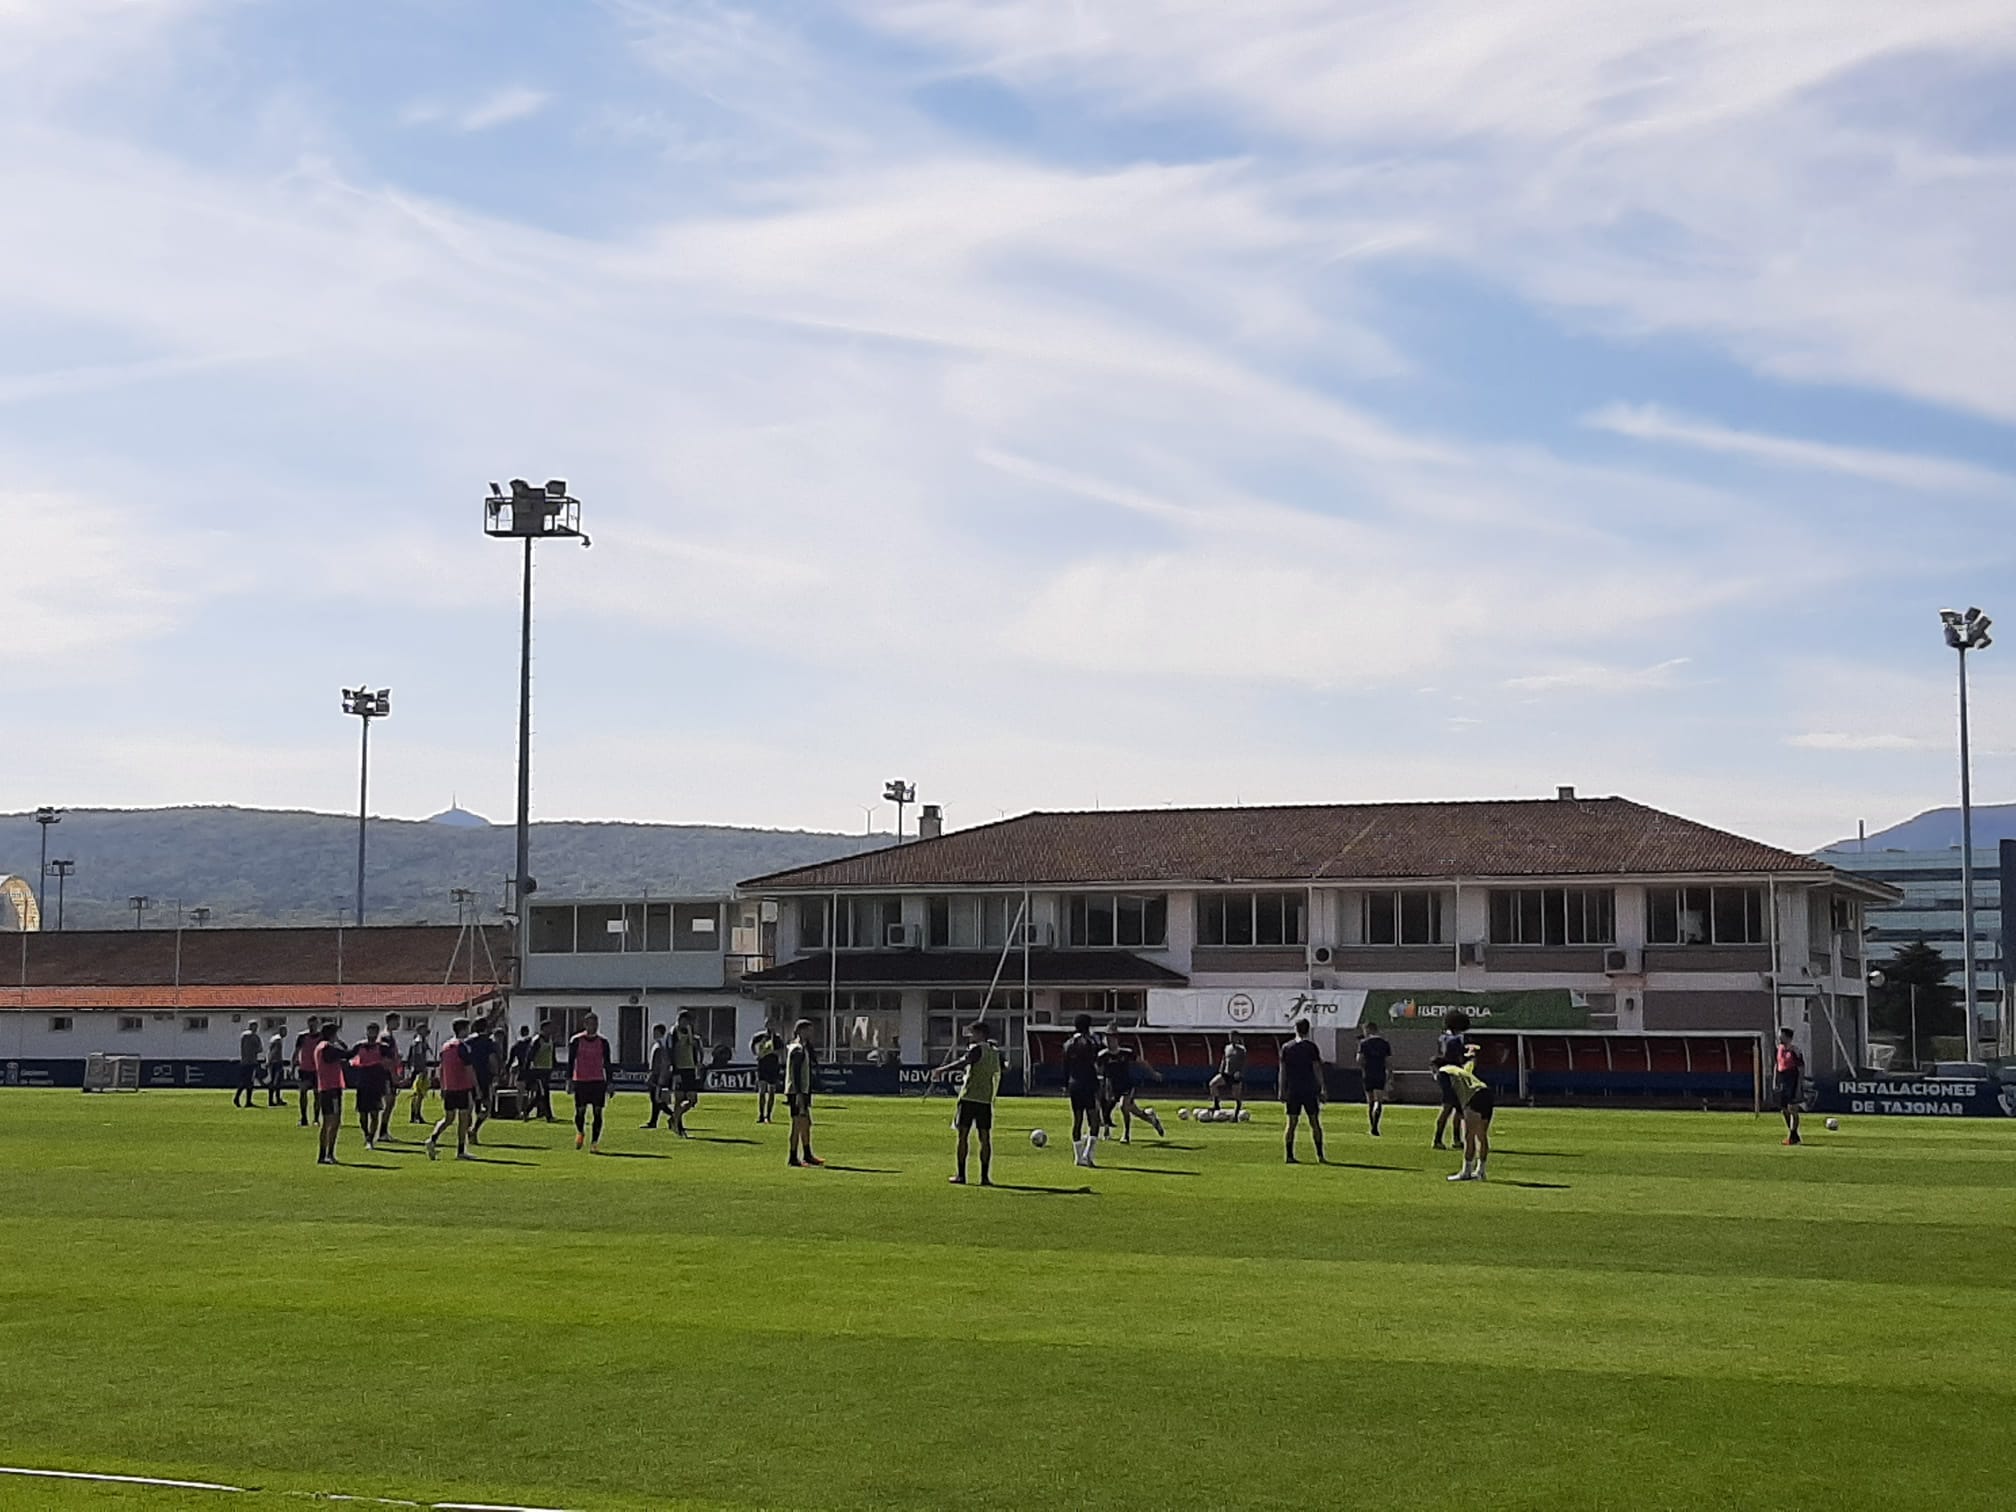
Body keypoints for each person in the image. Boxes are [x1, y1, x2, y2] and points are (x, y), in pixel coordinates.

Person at [934, 1020, 1003, 1186]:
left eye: (972, 1033)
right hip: (985, 1099)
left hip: (969, 1097)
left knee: (963, 1136)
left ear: (980, 1034)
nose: (970, 1037)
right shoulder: (994, 1052)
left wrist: (942, 1070)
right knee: (985, 1138)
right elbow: (1003, 1068)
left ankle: (961, 1175)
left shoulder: (976, 1050)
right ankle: (985, 1177)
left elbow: (963, 1062)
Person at [1440, 1045, 1496, 1182]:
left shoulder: (1443, 1072)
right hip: (1486, 1093)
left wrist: (1460, 1112)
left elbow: (1451, 1095)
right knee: (1482, 1135)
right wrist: (1472, 1055)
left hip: (1473, 1098)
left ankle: (1466, 1171)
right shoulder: (1461, 1070)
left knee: (1469, 1136)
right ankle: (1481, 1171)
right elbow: (1471, 1064)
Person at [1098, 1031, 1166, 1142]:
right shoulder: (1102, 1056)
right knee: (1132, 1111)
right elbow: (1096, 1069)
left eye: (1112, 1039)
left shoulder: (1126, 1053)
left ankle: (1126, 1134)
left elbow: (1142, 1062)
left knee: (1123, 1106)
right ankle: (1151, 1119)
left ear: (1117, 1040)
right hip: (1112, 1088)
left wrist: (1154, 1074)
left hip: (1126, 1086)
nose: (1110, 1042)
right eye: (1107, 1039)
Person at [426, 1019, 478, 1161]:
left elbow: (441, 1068)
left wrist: (442, 1086)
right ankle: (461, 1150)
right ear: (463, 1029)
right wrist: (476, 1087)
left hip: (449, 1087)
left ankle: (432, 1139)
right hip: (462, 1086)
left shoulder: (446, 1047)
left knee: (448, 1118)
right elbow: (469, 1069)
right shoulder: (463, 1047)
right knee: (463, 1118)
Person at [1280, 1017, 1326, 1165]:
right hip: (1309, 1089)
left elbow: (1283, 1071)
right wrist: (1322, 1088)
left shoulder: (1287, 1047)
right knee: (1314, 1122)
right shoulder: (1311, 1047)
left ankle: (1289, 1155)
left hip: (1293, 1089)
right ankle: (1320, 1154)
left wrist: (1281, 1089)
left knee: (1291, 1123)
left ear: (1296, 1029)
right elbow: (1317, 1068)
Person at [569, 1012, 615, 1152]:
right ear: (585, 1025)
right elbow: (571, 1062)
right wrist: (569, 1079)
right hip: (581, 1080)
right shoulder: (576, 1041)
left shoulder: (603, 1042)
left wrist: (610, 1082)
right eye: (590, 1024)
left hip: (598, 1081)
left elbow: (607, 1063)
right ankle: (580, 1132)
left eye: (595, 1024)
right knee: (580, 1111)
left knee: (598, 1112)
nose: (593, 1027)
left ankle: (594, 1143)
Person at [1062, 1014, 1103, 1168]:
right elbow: (1095, 1061)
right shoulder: (1091, 1042)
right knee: (1094, 1119)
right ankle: (1089, 1155)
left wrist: (1066, 1085)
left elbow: (1065, 1067)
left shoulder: (1067, 1044)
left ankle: (1078, 1157)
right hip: (1089, 1083)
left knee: (1077, 1120)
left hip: (1074, 1084)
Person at [784, 1018, 823, 1167]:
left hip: (803, 1091)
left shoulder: (804, 1047)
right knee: (797, 1124)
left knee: (806, 1123)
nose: (811, 1033)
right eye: (808, 1030)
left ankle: (807, 1154)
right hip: (797, 1092)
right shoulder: (797, 1049)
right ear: (801, 1031)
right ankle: (793, 1157)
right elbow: (796, 1073)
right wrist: (799, 1094)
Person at [347, 1022, 390, 1151]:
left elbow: (389, 1064)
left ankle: (371, 1138)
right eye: (370, 1031)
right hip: (362, 1082)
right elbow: (348, 1055)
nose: (372, 1034)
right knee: (362, 1113)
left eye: (374, 1032)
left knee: (375, 1112)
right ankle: (366, 1133)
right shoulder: (360, 1046)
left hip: (376, 1082)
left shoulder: (383, 1047)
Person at [1432, 1011, 1471, 1151]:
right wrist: (1469, 1057)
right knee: (1451, 1106)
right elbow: (1459, 1058)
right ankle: (1443, 1139)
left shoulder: (1442, 1037)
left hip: (1444, 1073)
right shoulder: (1455, 1040)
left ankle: (1452, 1139)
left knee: (1453, 1106)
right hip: (1453, 1074)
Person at [314, 1022, 349, 1165]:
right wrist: (360, 1046)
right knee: (333, 1122)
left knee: (327, 1122)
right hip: (331, 1088)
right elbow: (347, 1053)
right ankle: (328, 1154)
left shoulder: (320, 1047)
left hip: (325, 1087)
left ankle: (324, 1154)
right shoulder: (327, 1048)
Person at [463, 1019, 500, 1143]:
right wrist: (496, 1073)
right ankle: (474, 1129)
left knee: (469, 1106)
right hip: (484, 1077)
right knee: (487, 1106)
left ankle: (467, 1131)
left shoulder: (467, 1041)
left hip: (468, 1076)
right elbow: (492, 1059)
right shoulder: (489, 1042)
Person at [669, 1010, 703, 1136]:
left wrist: (698, 1063)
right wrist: (674, 1070)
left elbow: (694, 1047)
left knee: (692, 1100)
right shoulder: (674, 1032)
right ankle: (679, 1126)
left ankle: (673, 1118)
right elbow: (671, 1051)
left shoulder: (690, 1032)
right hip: (679, 1069)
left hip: (690, 1068)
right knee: (679, 1099)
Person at [1356, 1022, 1393, 1136]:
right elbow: (1388, 1062)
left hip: (1368, 1073)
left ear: (1368, 1029)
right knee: (1378, 1100)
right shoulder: (1385, 1043)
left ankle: (1372, 1126)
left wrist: (1364, 1066)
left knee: (1370, 1101)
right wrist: (1390, 1075)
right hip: (1380, 1073)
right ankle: (1376, 1125)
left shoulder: (1364, 1043)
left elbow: (1359, 1059)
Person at [1775, 1027, 1806, 1146]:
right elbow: (1777, 1064)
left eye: (1781, 1035)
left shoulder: (1795, 1051)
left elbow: (1801, 1069)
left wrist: (1799, 1085)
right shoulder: (1779, 1049)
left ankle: (1792, 1136)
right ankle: (1794, 1135)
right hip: (1783, 1079)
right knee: (1784, 1109)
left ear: (1788, 1037)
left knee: (1793, 1108)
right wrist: (1775, 1080)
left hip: (1792, 1078)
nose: (1779, 1037)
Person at [642, 1023, 675, 1130]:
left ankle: (674, 1115)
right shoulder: (659, 1044)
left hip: (657, 1076)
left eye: (655, 1032)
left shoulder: (661, 1045)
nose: (653, 1034)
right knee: (655, 1100)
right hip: (657, 1075)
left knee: (657, 1100)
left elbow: (660, 1063)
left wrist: (655, 1076)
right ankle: (653, 1121)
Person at [751, 1024, 785, 1126]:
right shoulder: (760, 1037)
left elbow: (781, 1050)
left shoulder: (777, 1038)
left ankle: (768, 1115)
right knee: (762, 1091)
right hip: (762, 1065)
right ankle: (761, 1115)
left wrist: (774, 1053)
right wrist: (756, 1054)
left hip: (773, 1066)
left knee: (771, 1092)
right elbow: (752, 1044)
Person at [1209, 1033, 1247, 1117]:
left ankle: (1236, 1114)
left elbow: (1243, 1063)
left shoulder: (1241, 1050)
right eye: (1231, 1037)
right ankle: (1216, 1104)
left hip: (1235, 1075)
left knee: (1236, 1095)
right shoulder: (1227, 1048)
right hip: (1226, 1073)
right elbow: (1224, 1059)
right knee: (1212, 1084)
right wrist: (1221, 1070)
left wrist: (1240, 1072)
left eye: (1234, 1037)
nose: (1232, 1039)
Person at [294, 1015, 322, 1127]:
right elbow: (296, 1051)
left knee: (317, 1095)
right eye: (311, 1023)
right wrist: (293, 1065)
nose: (312, 1026)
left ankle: (316, 1118)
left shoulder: (321, 1037)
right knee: (303, 1093)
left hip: (317, 1069)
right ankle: (304, 1117)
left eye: (314, 1023)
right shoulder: (302, 1037)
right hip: (304, 1069)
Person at [406, 1024, 435, 1124]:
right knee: (418, 1094)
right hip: (418, 1070)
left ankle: (415, 1114)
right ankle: (415, 1115)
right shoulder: (418, 1042)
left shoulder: (421, 1041)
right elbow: (417, 1057)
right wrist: (421, 1069)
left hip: (420, 1069)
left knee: (419, 1094)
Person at [528, 1025, 556, 1121]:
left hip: (547, 1069)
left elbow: (552, 1054)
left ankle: (527, 1111)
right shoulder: (537, 1040)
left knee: (541, 1094)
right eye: (549, 1027)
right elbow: (530, 1055)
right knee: (544, 1092)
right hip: (538, 1070)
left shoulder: (551, 1040)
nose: (551, 1029)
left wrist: (554, 1065)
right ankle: (548, 1116)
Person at [234, 1022, 263, 1109]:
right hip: (251, 1062)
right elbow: (259, 1049)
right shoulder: (254, 1036)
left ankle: (241, 1099)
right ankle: (245, 1100)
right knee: (249, 1082)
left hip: (244, 1061)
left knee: (245, 1081)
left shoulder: (243, 1035)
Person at [265, 1025, 288, 1107]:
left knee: (276, 1082)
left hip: (274, 1062)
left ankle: (276, 1099)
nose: (286, 1032)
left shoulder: (275, 1038)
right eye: (284, 1030)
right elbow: (274, 1051)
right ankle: (272, 1100)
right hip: (276, 1062)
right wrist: (270, 1061)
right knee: (275, 1082)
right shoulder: (278, 1040)